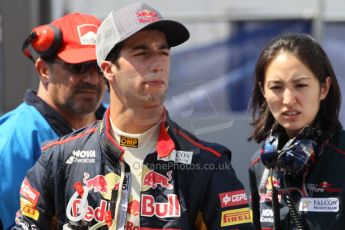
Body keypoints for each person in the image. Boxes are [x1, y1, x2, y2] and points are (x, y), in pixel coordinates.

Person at [14, 2, 253, 230]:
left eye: (163, 52)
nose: (158, 64)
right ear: (107, 69)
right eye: (142, 53)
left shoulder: (208, 163)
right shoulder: (58, 160)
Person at [0, 13, 106, 229]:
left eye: (99, 67)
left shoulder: (117, 128)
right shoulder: (13, 140)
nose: (92, 79)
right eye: (79, 68)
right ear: (43, 70)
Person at [248, 32, 345, 229]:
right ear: (263, 91)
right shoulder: (260, 165)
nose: (288, 99)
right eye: (276, 87)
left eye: (300, 85)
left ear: (324, 88)